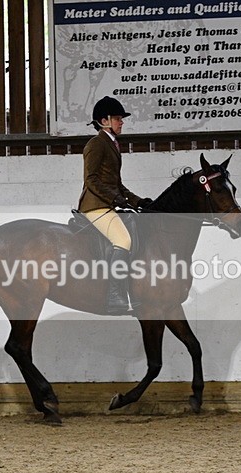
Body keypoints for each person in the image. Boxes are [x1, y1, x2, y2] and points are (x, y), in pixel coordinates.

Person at [77, 96, 152, 315]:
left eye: (121, 119)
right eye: (118, 119)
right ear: (104, 121)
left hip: (107, 203)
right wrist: (115, 199)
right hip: (95, 205)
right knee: (123, 240)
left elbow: (117, 184)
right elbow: (91, 180)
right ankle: (114, 296)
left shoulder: (112, 144)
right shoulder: (96, 144)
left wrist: (140, 202)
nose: (122, 122)